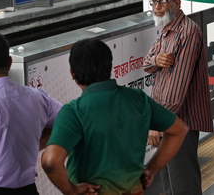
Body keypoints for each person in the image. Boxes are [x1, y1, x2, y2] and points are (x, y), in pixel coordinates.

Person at [42, 39, 189, 195]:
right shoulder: (138, 99)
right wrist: (152, 170)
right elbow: (179, 130)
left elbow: (51, 162)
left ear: (72, 73)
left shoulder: (74, 111)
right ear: (110, 68)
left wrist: (71, 190)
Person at [0, 31, 62, 194]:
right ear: (9, 63)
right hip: (28, 190)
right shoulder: (37, 97)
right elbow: (66, 121)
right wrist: (30, 148)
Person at [143, 0, 214, 195]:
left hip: (181, 121)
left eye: (163, 1)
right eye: (154, 2)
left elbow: (177, 87)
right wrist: (156, 58)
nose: (157, 7)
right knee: (168, 182)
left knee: (183, 182)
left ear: (177, 3)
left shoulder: (188, 32)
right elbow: (147, 63)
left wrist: (160, 122)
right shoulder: (167, 30)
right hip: (169, 119)